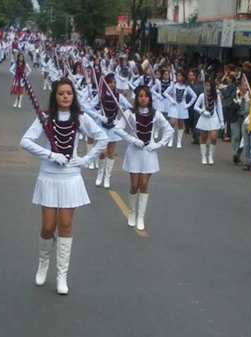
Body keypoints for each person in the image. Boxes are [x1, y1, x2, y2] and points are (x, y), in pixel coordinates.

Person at [20, 78, 107, 295]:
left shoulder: (80, 118)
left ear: (73, 95)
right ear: (55, 96)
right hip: (49, 176)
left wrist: (85, 159)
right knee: (48, 227)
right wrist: (50, 154)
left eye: (69, 93)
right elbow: (25, 141)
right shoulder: (45, 117)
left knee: (66, 225)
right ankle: (43, 264)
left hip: (71, 177)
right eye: (61, 93)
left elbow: (102, 137)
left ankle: (61, 275)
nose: (65, 96)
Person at [113, 85, 174, 231]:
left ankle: (141, 216)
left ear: (149, 98)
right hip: (134, 152)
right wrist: (132, 140)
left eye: (146, 96)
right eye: (140, 96)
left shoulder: (156, 114)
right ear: (136, 97)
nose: (143, 98)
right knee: (134, 185)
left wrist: (157, 144)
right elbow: (117, 128)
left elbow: (169, 129)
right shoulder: (130, 113)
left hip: (149, 152)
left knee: (144, 184)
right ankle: (132, 213)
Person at [193, 77, 224, 165]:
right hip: (204, 118)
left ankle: (210, 156)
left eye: (209, 86)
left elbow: (219, 108)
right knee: (203, 137)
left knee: (214, 138)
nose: (207, 87)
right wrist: (202, 111)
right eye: (206, 85)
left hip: (214, 118)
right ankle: (203, 156)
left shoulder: (216, 96)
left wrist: (222, 121)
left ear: (212, 87)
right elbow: (195, 107)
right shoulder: (202, 96)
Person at [163, 70, 197, 148]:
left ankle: (179, 142)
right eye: (178, 76)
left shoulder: (187, 87)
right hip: (174, 106)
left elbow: (194, 96)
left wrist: (188, 105)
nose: (179, 77)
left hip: (182, 107)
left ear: (183, 77)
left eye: (180, 76)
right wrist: (171, 100)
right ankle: (170, 140)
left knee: (181, 124)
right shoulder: (173, 85)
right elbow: (165, 93)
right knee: (172, 123)